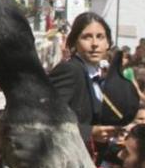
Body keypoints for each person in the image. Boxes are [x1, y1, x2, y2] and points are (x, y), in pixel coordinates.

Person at [48, 11, 138, 146]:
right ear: (74, 43)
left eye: (100, 37)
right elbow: (47, 117)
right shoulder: (70, 70)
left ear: (108, 43)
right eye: (87, 37)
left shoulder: (98, 75)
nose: (95, 43)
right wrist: (89, 132)